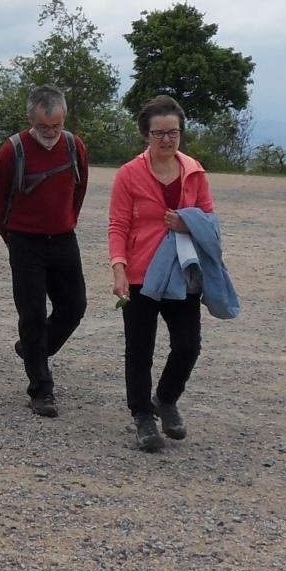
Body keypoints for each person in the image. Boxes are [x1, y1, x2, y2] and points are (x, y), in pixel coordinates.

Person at [108, 96, 216, 452]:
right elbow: (118, 225)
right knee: (139, 349)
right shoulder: (129, 174)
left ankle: (166, 399)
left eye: (174, 132)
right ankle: (142, 416)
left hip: (182, 272)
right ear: (146, 135)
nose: (167, 140)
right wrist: (118, 270)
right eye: (159, 133)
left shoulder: (195, 171)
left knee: (188, 345)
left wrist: (188, 222)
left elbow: (210, 221)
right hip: (140, 274)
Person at [0, 84, 89, 417]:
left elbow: (78, 189)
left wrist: (66, 220)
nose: (51, 133)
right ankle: (41, 389)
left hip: (62, 238)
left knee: (74, 306)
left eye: (57, 125)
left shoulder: (75, 146)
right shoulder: (12, 150)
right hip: (24, 241)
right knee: (30, 314)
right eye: (44, 126)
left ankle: (32, 350)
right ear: (30, 119)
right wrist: (11, 236)